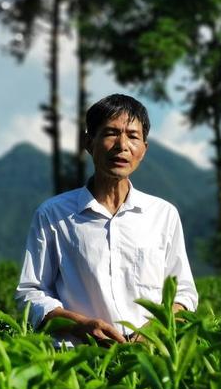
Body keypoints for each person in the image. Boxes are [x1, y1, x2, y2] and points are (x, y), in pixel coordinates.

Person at [16, 94, 198, 345]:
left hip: (148, 359)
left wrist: (156, 328)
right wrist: (80, 325)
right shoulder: (53, 215)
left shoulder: (163, 215)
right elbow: (30, 292)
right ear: (89, 143)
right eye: (111, 133)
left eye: (133, 136)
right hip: (78, 359)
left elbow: (184, 294)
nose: (122, 145)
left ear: (144, 149)